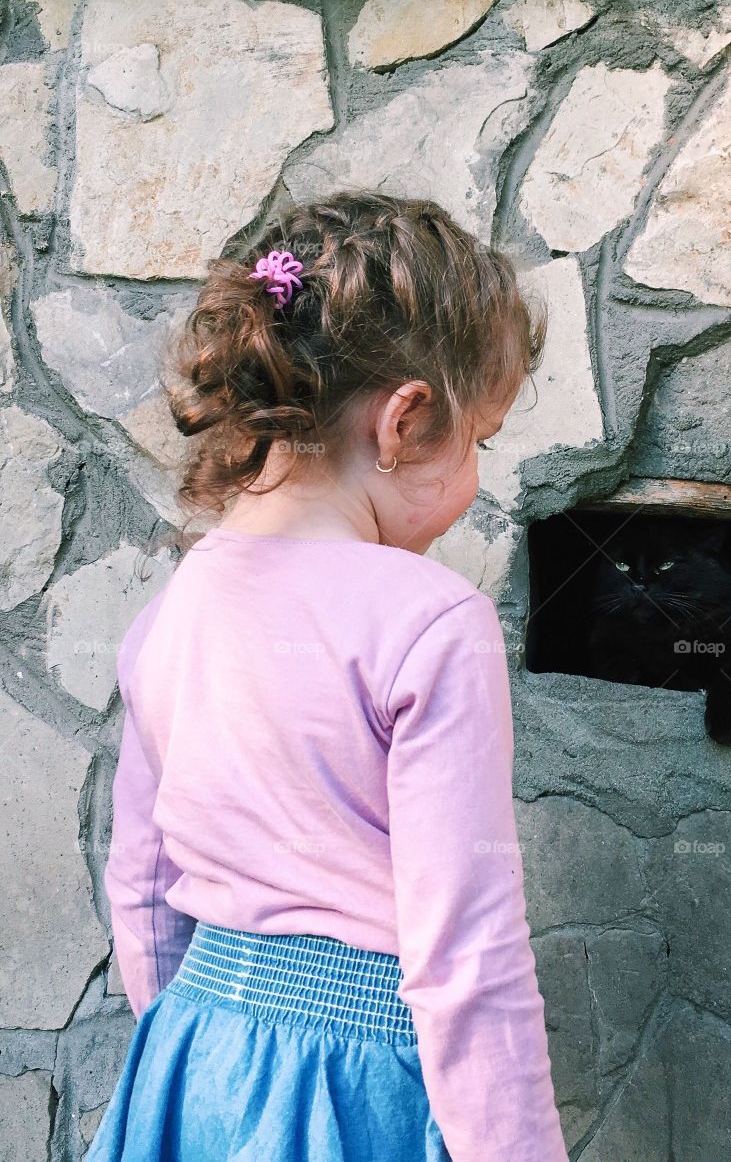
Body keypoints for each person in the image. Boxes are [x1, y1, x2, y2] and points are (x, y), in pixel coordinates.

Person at [86, 189, 569, 1161]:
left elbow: (141, 893)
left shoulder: (168, 617)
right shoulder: (432, 626)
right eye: (482, 440)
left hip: (193, 1062)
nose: (477, 476)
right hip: (360, 1093)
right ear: (404, 420)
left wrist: (196, 1049)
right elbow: (466, 960)